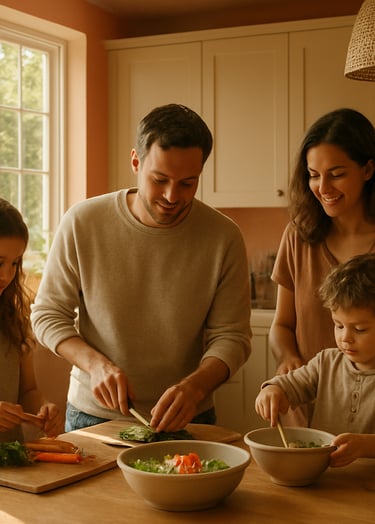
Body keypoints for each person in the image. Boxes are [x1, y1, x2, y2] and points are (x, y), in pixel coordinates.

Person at [31, 103, 252, 433]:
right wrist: (96, 365)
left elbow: (232, 337)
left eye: (187, 183)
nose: (171, 195)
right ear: (136, 160)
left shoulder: (224, 236)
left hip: (189, 415)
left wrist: (195, 387)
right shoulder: (83, 222)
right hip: (94, 415)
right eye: (159, 179)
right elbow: (47, 315)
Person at [269, 107, 375, 426]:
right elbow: (281, 326)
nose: (323, 188)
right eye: (314, 175)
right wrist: (288, 359)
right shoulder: (298, 236)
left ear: (368, 169)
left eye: (337, 173)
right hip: (305, 420)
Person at [256, 253, 375, 467]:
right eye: (338, 325)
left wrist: (364, 446)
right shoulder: (326, 363)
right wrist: (272, 391)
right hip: (322, 477)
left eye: (359, 329)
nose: (345, 338)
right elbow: (289, 384)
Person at [0, 198, 64, 442]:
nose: (7, 275)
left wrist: (43, 407)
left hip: (12, 467)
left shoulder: (13, 318)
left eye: (15, 263)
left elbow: (28, 391)